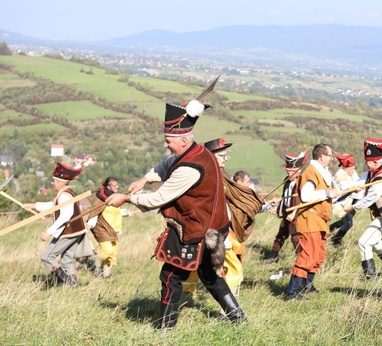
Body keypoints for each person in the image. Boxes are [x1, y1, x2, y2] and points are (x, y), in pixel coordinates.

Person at [107, 98, 246, 330]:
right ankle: (238, 317)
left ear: (183, 140)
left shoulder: (190, 168)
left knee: (171, 277)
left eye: (168, 140)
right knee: (209, 276)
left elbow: (158, 199)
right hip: (209, 227)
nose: (165, 144)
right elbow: (167, 164)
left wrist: (126, 199)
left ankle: (165, 328)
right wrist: (145, 178)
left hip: (195, 230)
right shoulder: (197, 152)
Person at [203, 138, 263, 300]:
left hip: (216, 228)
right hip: (214, 229)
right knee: (233, 267)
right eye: (222, 155)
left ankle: (186, 299)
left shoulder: (218, 173)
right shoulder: (210, 174)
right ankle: (230, 309)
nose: (226, 158)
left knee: (200, 266)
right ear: (211, 155)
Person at [342, 135, 382, 280]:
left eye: (369, 162)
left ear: (376, 161)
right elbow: (361, 181)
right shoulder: (373, 171)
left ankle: (370, 276)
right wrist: (352, 188)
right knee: (375, 243)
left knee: (364, 242)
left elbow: (370, 199)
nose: (367, 164)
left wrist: (353, 207)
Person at [285, 144, 338, 300]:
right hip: (310, 219)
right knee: (308, 255)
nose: (331, 158)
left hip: (319, 220)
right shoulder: (311, 172)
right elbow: (307, 195)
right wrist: (328, 192)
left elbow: (329, 194)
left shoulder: (322, 173)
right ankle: (292, 291)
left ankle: (307, 286)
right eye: (329, 155)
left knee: (318, 255)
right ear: (321, 157)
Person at [23, 162, 85, 288]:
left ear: (61, 183)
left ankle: (66, 282)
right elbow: (52, 205)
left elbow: (65, 216)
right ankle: (74, 286)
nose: (52, 183)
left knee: (47, 256)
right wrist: (33, 205)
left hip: (68, 233)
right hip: (77, 232)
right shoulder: (67, 193)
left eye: (54, 181)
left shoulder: (64, 196)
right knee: (66, 259)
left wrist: (48, 232)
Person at [263, 152, 308, 263]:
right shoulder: (287, 181)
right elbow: (285, 197)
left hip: (296, 214)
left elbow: (304, 201)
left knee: (295, 238)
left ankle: (300, 260)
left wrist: (294, 213)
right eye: (287, 171)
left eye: (291, 171)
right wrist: (278, 208)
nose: (288, 173)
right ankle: (273, 257)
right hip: (286, 211)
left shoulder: (302, 182)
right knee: (280, 235)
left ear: (298, 170)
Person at [87, 177, 122, 279]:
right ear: (108, 186)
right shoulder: (101, 198)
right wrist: (90, 224)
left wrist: (125, 213)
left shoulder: (114, 198)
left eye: (117, 185)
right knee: (107, 250)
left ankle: (106, 274)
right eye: (114, 185)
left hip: (112, 229)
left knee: (113, 253)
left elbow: (114, 212)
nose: (117, 187)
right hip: (101, 227)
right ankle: (96, 266)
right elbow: (95, 211)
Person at [329, 153, 360, 246]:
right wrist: (354, 188)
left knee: (343, 222)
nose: (352, 171)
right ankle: (335, 240)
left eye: (353, 169)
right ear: (345, 168)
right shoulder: (340, 175)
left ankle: (327, 231)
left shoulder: (353, 174)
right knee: (349, 223)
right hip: (340, 203)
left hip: (349, 202)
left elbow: (358, 182)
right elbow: (346, 188)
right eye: (350, 169)